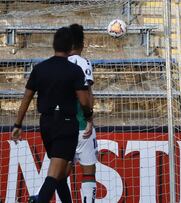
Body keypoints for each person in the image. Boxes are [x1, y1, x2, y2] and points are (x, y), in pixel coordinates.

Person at [11, 27, 93, 203]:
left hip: (46, 124)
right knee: (56, 173)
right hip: (66, 124)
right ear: (70, 46)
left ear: (53, 45)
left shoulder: (40, 68)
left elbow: (26, 98)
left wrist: (18, 124)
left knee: (61, 172)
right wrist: (88, 116)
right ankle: (39, 200)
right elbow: (84, 100)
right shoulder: (74, 71)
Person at [67, 23, 97, 202]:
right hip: (80, 124)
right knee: (89, 170)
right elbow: (86, 94)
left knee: (60, 170)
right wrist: (89, 119)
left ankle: (43, 195)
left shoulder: (58, 63)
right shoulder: (83, 63)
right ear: (82, 44)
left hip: (61, 125)